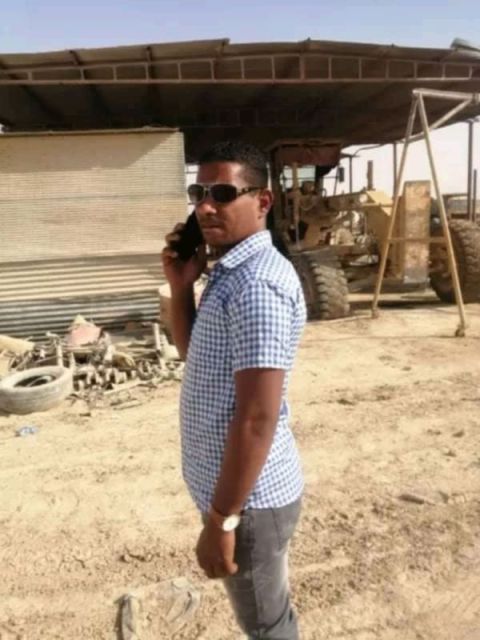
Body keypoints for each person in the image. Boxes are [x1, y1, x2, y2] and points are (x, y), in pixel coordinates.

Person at [162, 141, 306, 639]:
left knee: (267, 626)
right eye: (198, 193)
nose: (205, 207)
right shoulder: (229, 273)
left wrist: (222, 521)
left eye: (222, 193)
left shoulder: (256, 285)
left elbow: (257, 419)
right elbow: (194, 354)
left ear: (262, 201)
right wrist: (181, 285)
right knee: (269, 615)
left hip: (248, 504)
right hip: (236, 497)